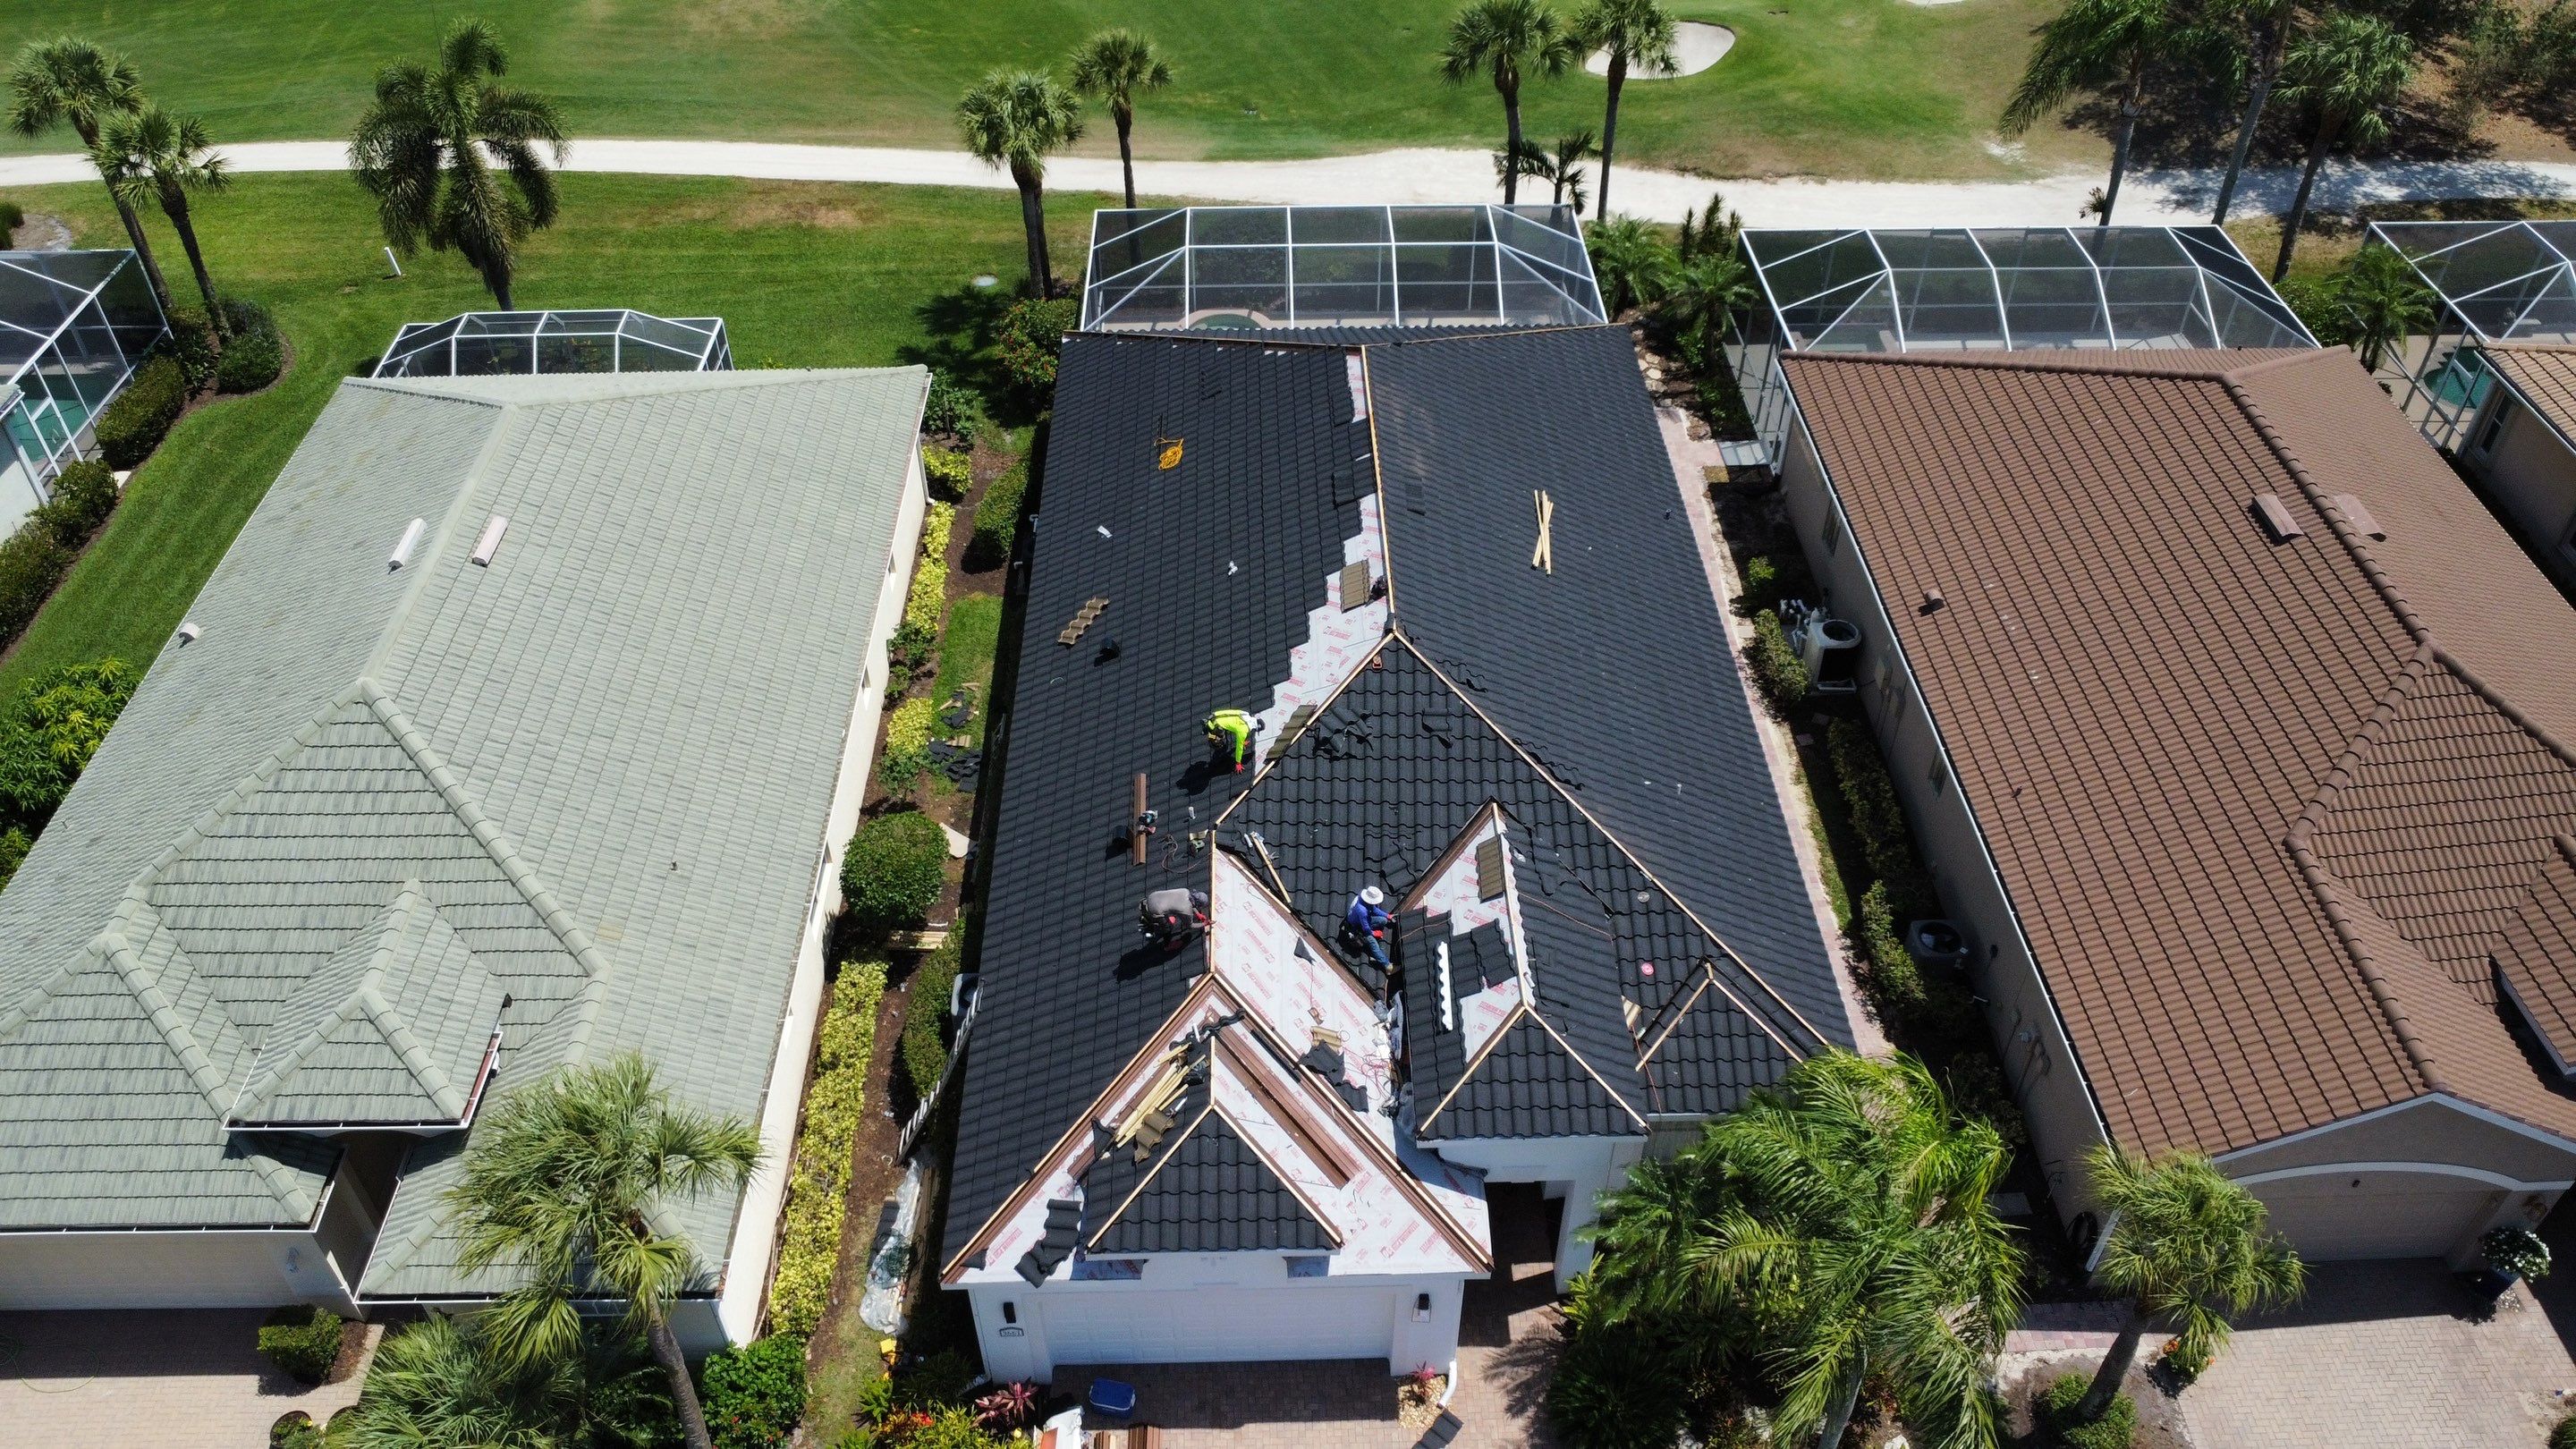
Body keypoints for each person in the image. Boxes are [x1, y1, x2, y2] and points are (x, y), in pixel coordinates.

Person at [1342, 884, 1392, 969]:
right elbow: (1365, 928)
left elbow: (1374, 910)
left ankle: (1377, 956)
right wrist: (1374, 933)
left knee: (1383, 920)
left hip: (1363, 921)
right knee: (1373, 943)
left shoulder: (1363, 899)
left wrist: (1387, 915)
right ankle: (1387, 966)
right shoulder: (1362, 911)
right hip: (1356, 928)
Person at [1203, 708, 1254, 772]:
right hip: (1218, 727)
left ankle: (1213, 737)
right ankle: (1214, 763)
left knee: (1223, 740)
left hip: (1217, 719)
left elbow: (1230, 712)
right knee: (1222, 746)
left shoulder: (1245, 714)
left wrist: (1215, 714)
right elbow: (1239, 748)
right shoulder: (1243, 731)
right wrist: (1238, 763)